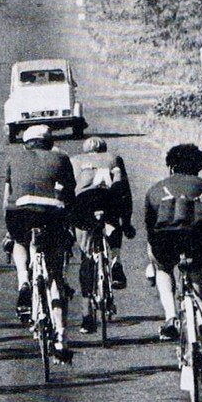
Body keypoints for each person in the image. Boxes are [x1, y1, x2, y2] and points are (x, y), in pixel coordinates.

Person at [144, 143, 202, 391]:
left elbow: (150, 230)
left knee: (162, 268)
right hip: (199, 245)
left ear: (170, 166)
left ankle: (170, 316)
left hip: (165, 244)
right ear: (198, 166)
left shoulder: (155, 190)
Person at [2, 124, 76, 364]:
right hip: (52, 213)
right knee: (55, 275)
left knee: (20, 242)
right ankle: (61, 336)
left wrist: (8, 231)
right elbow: (69, 194)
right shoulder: (61, 158)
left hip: (19, 211)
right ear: (49, 142)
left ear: (26, 143)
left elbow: (7, 198)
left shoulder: (14, 158)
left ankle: (23, 280)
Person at [70, 136, 135, 334]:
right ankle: (116, 261)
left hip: (84, 201)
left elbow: (68, 190)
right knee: (111, 223)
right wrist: (127, 222)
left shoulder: (75, 160)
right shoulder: (114, 158)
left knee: (86, 257)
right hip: (109, 199)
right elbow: (125, 191)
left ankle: (87, 315)